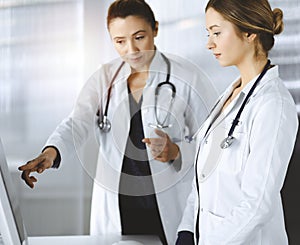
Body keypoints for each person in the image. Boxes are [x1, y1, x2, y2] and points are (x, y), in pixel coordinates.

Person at [18, 0, 217, 244]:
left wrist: (176, 151)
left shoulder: (187, 77)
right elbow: (77, 122)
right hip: (118, 209)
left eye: (139, 37)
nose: (131, 49)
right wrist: (51, 152)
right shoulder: (104, 78)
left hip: (166, 207)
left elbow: (212, 144)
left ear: (155, 28)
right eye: (120, 41)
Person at [176, 0, 299, 244]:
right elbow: (204, 178)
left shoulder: (273, 104)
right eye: (208, 33)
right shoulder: (230, 96)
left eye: (217, 33)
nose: (209, 43)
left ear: (250, 32)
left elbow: (258, 204)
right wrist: (187, 230)